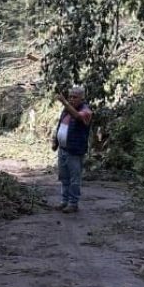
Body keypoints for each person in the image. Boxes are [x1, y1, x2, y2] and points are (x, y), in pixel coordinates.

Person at [52, 85, 93, 213]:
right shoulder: (66, 110)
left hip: (74, 151)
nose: (71, 99)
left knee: (74, 179)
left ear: (82, 98)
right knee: (64, 177)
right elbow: (60, 126)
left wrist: (64, 102)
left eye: (74, 97)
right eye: (70, 97)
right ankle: (64, 201)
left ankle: (73, 203)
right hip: (63, 149)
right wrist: (55, 141)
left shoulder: (86, 111)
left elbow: (77, 116)